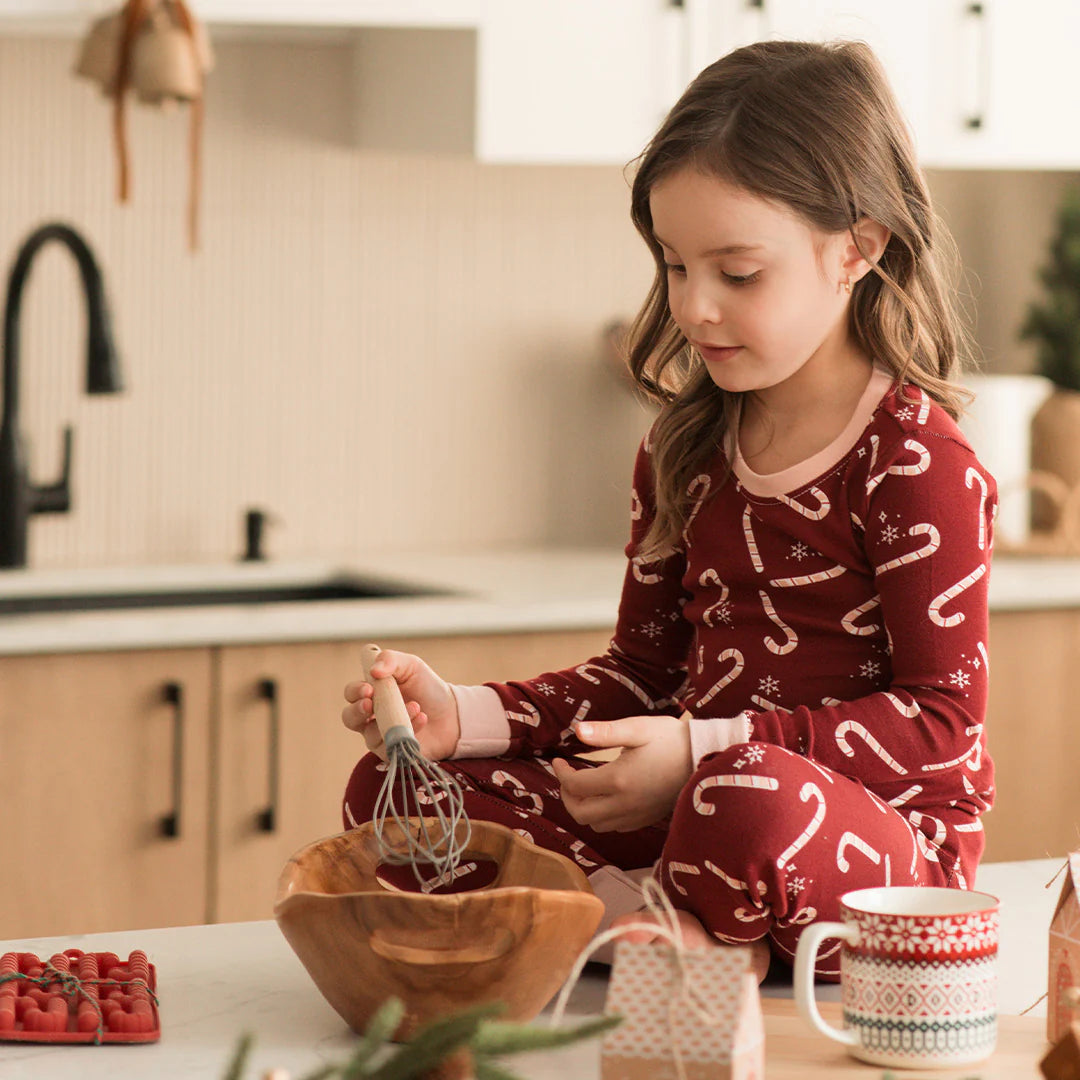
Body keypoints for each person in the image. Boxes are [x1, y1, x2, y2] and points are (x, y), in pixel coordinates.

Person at [341, 38, 996, 980]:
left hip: (867, 848)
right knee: (395, 792)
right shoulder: (683, 448)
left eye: (736, 274)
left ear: (857, 246)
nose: (693, 308)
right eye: (674, 265)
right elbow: (644, 673)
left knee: (743, 795)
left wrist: (701, 752)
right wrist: (468, 718)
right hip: (686, 814)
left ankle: (676, 928)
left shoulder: (914, 462)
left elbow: (944, 729)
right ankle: (646, 928)